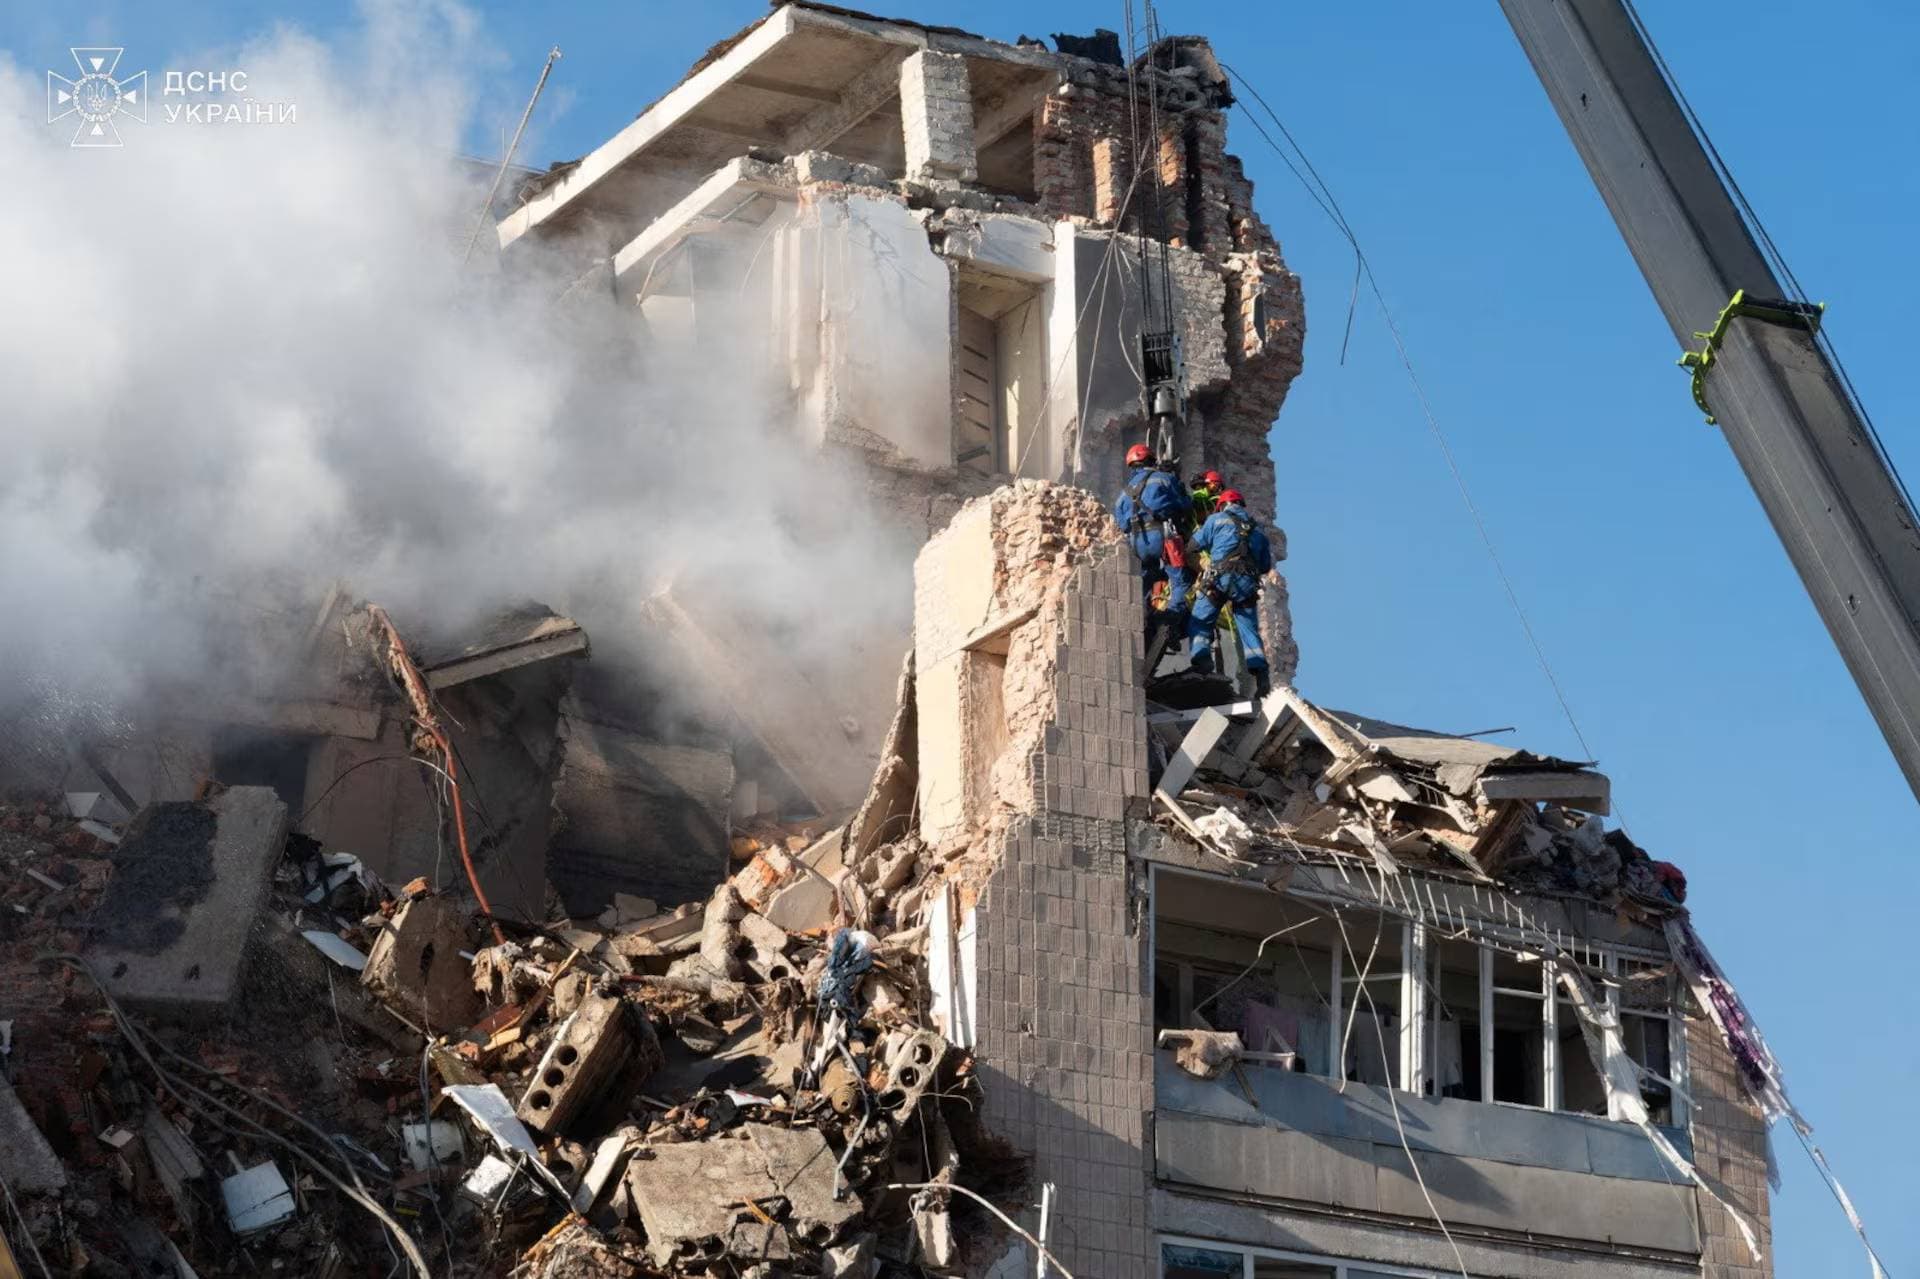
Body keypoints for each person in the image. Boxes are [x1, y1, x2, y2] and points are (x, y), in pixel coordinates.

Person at [1186, 489, 1275, 695]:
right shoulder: (1258, 530)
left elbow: (1192, 547)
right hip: (1246, 584)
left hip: (1220, 579)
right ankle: (1262, 677)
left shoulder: (1216, 519)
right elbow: (1264, 566)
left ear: (1222, 505)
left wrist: (1204, 563)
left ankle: (1202, 663)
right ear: (1241, 505)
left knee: (1201, 618)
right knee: (1249, 629)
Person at [1113, 443, 1193, 625]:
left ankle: (1138, 619)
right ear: (1151, 460)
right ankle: (1171, 618)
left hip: (1136, 543)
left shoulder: (1123, 494)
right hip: (1162, 536)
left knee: (1143, 581)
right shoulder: (1164, 479)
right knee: (1180, 579)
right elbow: (1184, 505)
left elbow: (1120, 523)